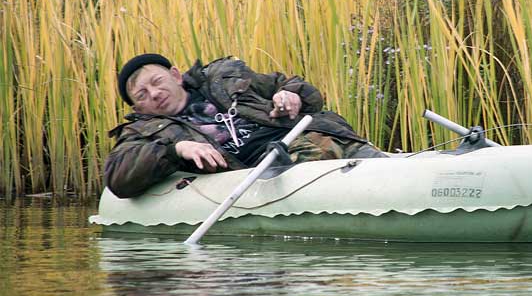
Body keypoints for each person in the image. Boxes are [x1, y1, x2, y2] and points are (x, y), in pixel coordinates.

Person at [104, 53, 384, 198]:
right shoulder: (141, 131)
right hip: (263, 167)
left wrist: (290, 94)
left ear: (175, 76)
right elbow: (118, 178)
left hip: (308, 134)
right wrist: (175, 149)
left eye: (157, 82)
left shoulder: (223, 77)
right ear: (137, 107)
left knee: (336, 146)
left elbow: (299, 89)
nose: (154, 94)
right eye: (142, 95)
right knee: (313, 150)